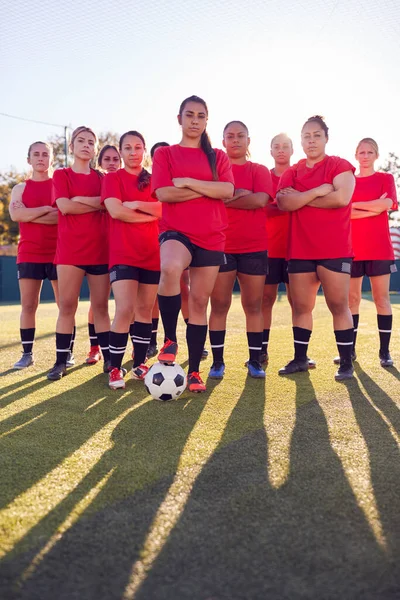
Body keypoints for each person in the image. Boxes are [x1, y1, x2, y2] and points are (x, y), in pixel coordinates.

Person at [151, 95, 234, 392]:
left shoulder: (219, 157)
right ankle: (170, 338)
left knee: (199, 303)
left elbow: (226, 190)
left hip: (212, 234)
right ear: (179, 119)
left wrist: (186, 182)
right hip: (176, 231)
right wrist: (206, 190)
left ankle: (195, 371)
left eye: (201, 115)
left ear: (206, 120)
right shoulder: (165, 155)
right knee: (171, 267)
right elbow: (162, 193)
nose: (195, 120)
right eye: (189, 115)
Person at [276, 115, 356, 381]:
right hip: (300, 249)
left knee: (338, 305)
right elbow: (284, 204)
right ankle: (300, 359)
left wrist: (301, 198)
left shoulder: (340, 165)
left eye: (316, 135)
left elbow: (341, 198)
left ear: (326, 138)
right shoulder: (293, 171)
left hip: (334, 248)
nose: (311, 141)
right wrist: (318, 191)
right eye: (306, 136)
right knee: (301, 307)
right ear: (300, 140)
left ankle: (346, 362)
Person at [208, 120, 271, 379]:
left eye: (240, 136)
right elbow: (210, 200)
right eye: (230, 136)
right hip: (220, 245)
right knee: (219, 304)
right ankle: (217, 363)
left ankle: (255, 361)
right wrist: (239, 194)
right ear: (222, 141)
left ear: (248, 140)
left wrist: (226, 197)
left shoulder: (259, 170)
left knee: (253, 305)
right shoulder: (213, 171)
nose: (235, 140)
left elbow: (260, 200)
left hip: (254, 247)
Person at [47, 126, 110, 380]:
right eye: (80, 141)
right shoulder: (61, 175)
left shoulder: (103, 178)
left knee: (101, 308)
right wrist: (92, 202)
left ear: (95, 148)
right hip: (70, 253)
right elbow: (64, 207)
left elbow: (105, 204)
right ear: (71, 147)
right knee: (67, 307)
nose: (86, 145)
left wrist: (79, 200)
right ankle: (60, 362)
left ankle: (110, 360)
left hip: (99, 252)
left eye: (91, 142)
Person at [103, 131, 161, 390]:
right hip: (123, 254)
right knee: (124, 309)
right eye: (128, 147)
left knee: (145, 311)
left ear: (144, 150)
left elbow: (164, 208)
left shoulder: (154, 179)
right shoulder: (113, 178)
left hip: (152, 253)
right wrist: (150, 215)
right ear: (122, 151)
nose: (133, 152)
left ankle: (139, 364)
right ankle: (115, 368)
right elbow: (116, 211)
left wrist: (137, 203)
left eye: (138, 147)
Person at [333, 138, 398, 367]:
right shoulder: (349, 181)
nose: (365, 155)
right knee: (352, 300)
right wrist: (373, 207)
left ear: (376, 155)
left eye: (370, 152)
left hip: (380, 248)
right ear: (356, 155)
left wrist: (359, 206)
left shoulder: (385, 179)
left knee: (382, 299)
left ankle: (384, 352)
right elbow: (345, 212)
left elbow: (388, 204)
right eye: (362, 151)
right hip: (352, 250)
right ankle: (349, 352)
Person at [263, 134, 316, 369]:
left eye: (285, 146)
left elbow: (306, 204)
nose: (281, 150)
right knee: (266, 300)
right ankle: (260, 351)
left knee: (299, 303)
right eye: (277, 147)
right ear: (271, 151)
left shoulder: (300, 175)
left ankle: (301, 355)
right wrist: (286, 203)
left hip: (297, 249)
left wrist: (293, 201)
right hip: (268, 249)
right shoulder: (265, 177)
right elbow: (262, 208)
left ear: (293, 150)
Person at [9, 141, 59, 369]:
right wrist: (43, 210)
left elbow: (61, 217)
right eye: (36, 154)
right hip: (29, 253)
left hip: (59, 253)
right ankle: (27, 354)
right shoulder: (20, 189)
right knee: (28, 306)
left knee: (65, 305)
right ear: (28, 159)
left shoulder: (59, 185)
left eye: (45, 154)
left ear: (51, 159)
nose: (41, 158)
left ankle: (65, 354)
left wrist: (28, 214)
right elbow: (15, 215)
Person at [85, 144, 122, 365]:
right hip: (98, 248)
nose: (112, 163)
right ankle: (94, 347)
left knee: (126, 303)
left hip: (122, 248)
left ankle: (131, 350)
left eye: (115, 159)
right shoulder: (98, 181)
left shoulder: (125, 181)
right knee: (98, 303)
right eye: (107, 159)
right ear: (100, 162)